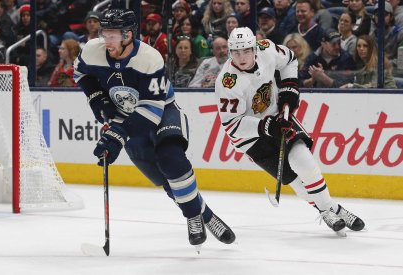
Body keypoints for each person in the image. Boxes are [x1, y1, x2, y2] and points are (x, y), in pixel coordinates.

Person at [73, 9, 235, 249]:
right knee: (166, 181)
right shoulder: (91, 50)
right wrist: (99, 100)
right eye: (104, 33)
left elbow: (151, 110)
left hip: (162, 111)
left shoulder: (150, 58)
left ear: (128, 34)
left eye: (113, 34)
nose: (107, 39)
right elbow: (81, 73)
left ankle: (192, 216)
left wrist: (117, 135)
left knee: (172, 160)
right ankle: (206, 215)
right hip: (125, 116)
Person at [214, 27, 365, 235]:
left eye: (246, 51)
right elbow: (232, 124)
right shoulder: (227, 81)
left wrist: (289, 88)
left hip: (278, 117)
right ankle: (331, 209)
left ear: (255, 47)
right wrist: (267, 126)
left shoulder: (267, 49)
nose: (241, 57)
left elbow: (290, 60)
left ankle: (329, 209)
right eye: (236, 52)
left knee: (304, 163)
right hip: (250, 139)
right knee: (292, 178)